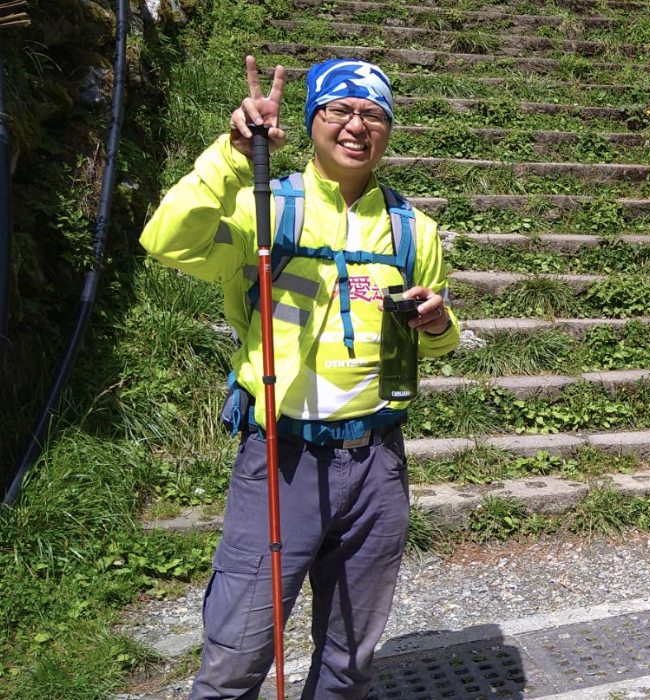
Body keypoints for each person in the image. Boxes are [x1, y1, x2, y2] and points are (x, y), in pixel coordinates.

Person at [141, 56, 460, 698]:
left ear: (389, 130)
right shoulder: (268, 206)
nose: (356, 125)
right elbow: (166, 239)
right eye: (339, 109)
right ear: (313, 119)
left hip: (378, 464)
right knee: (236, 658)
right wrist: (234, 155)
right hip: (282, 460)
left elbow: (438, 340)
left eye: (373, 114)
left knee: (348, 662)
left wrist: (438, 325)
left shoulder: (411, 230)